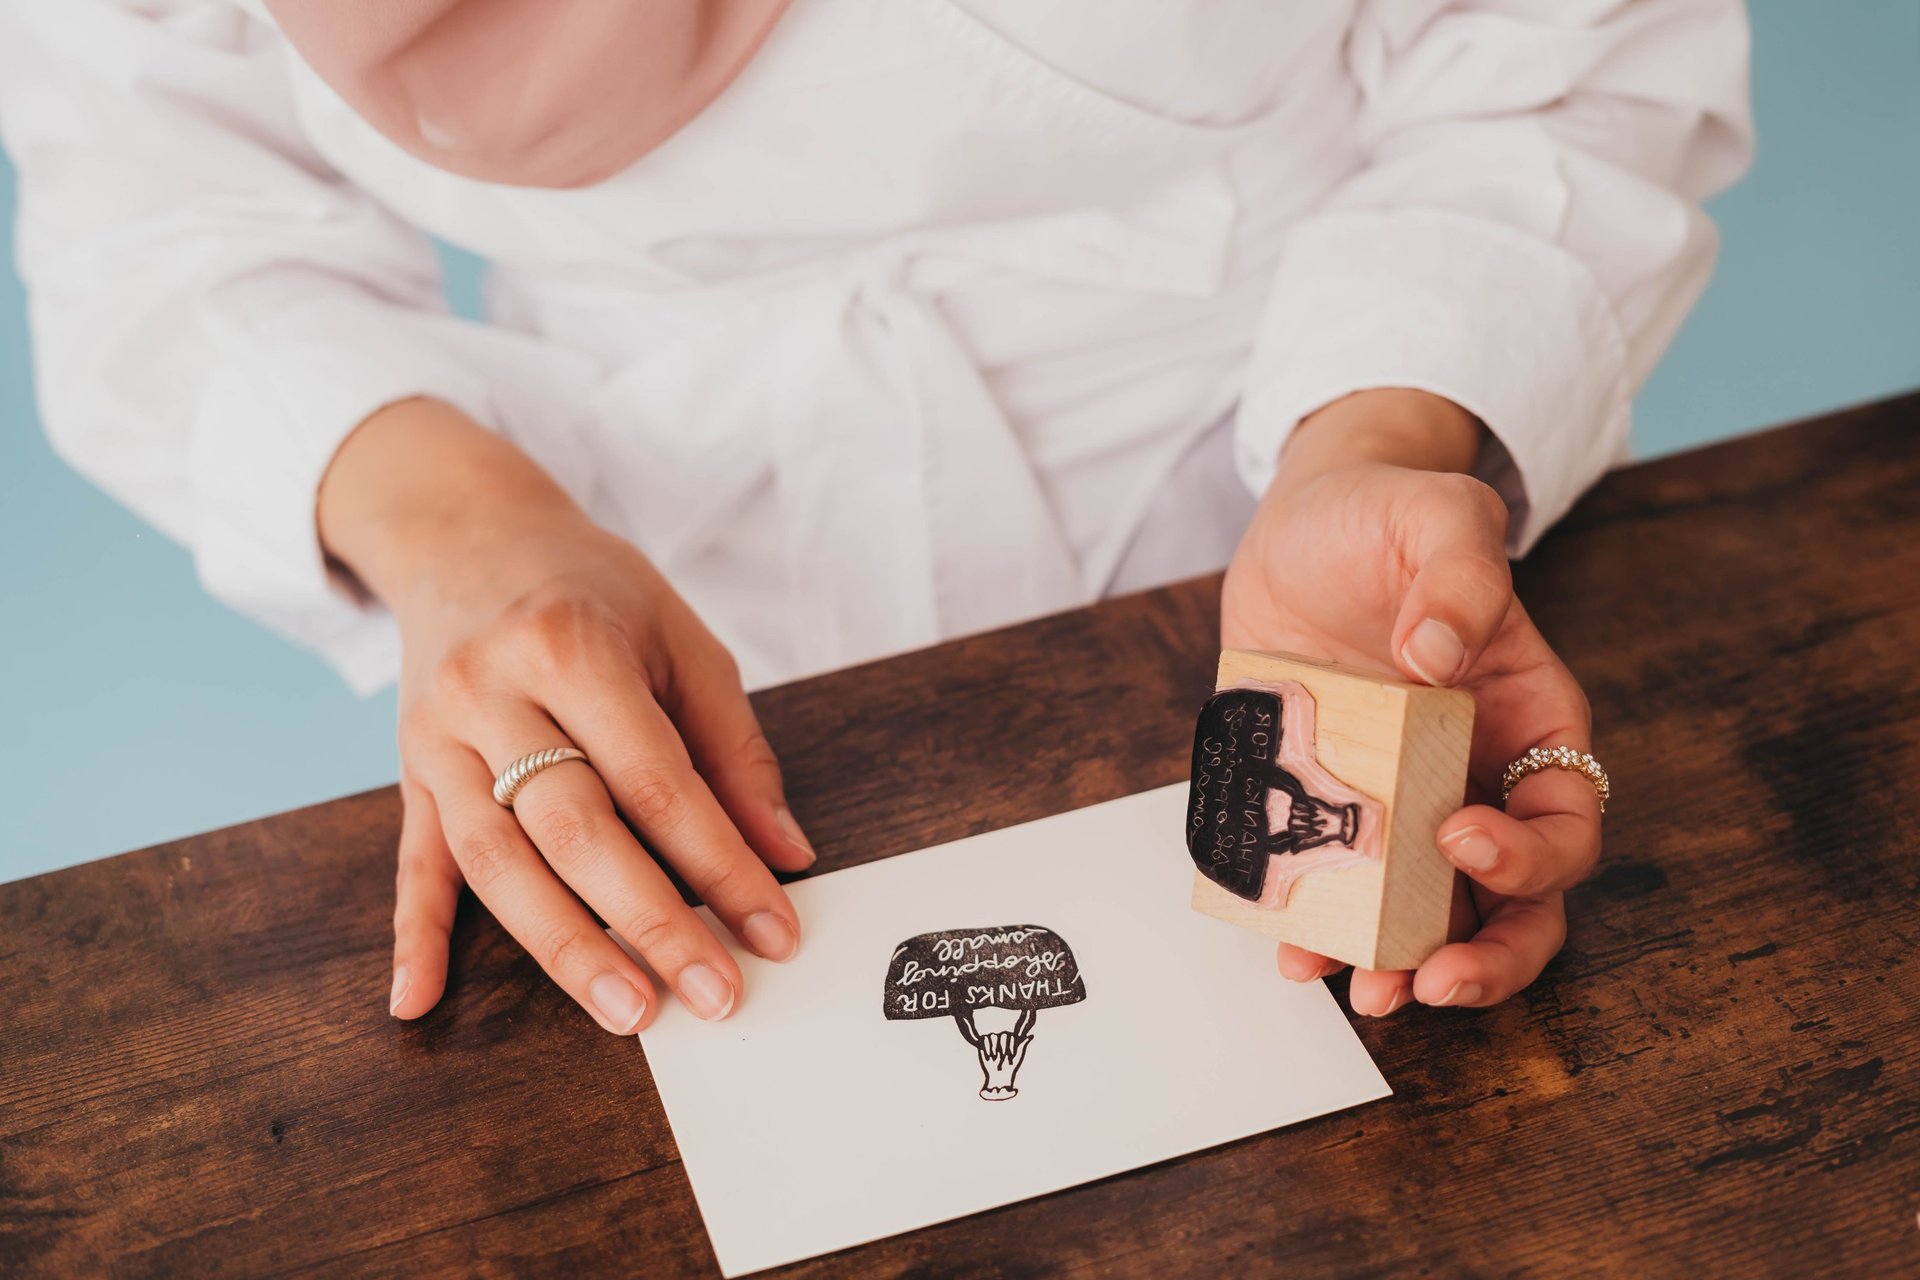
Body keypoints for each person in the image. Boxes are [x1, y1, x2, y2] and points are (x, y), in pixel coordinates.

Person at [0, 1, 1751, 1033]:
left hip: (1305, 502)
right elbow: (160, 203)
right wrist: (468, 541)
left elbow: (1558, 42)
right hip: (647, 621)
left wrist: (1382, 430)